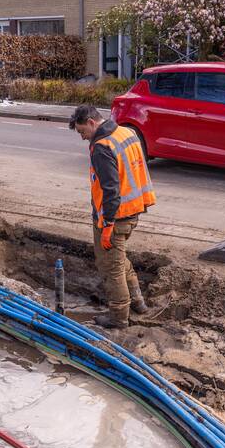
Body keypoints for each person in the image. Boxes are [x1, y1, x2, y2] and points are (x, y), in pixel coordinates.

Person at [69, 104, 156, 329]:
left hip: (115, 217)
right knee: (118, 258)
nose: (82, 138)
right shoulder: (126, 132)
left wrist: (107, 225)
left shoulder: (102, 147)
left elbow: (110, 189)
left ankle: (119, 316)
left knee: (111, 265)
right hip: (134, 209)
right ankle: (138, 302)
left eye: (82, 132)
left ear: (91, 122)